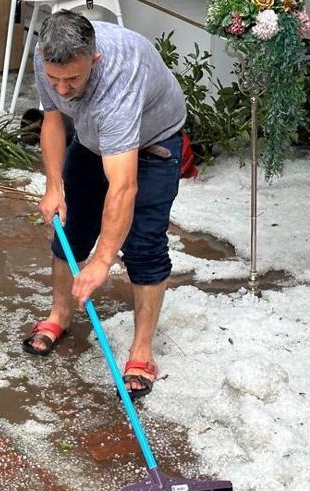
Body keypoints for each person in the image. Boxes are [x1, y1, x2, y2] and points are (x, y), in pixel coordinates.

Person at [20, 9, 186, 400]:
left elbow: (124, 186)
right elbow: (53, 120)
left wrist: (101, 261)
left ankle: (141, 349)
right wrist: (53, 185)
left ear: (94, 61)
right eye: (54, 78)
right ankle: (61, 314)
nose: (61, 89)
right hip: (93, 140)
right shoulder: (48, 55)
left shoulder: (119, 76)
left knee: (144, 245)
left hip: (152, 146)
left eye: (72, 79)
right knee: (70, 231)